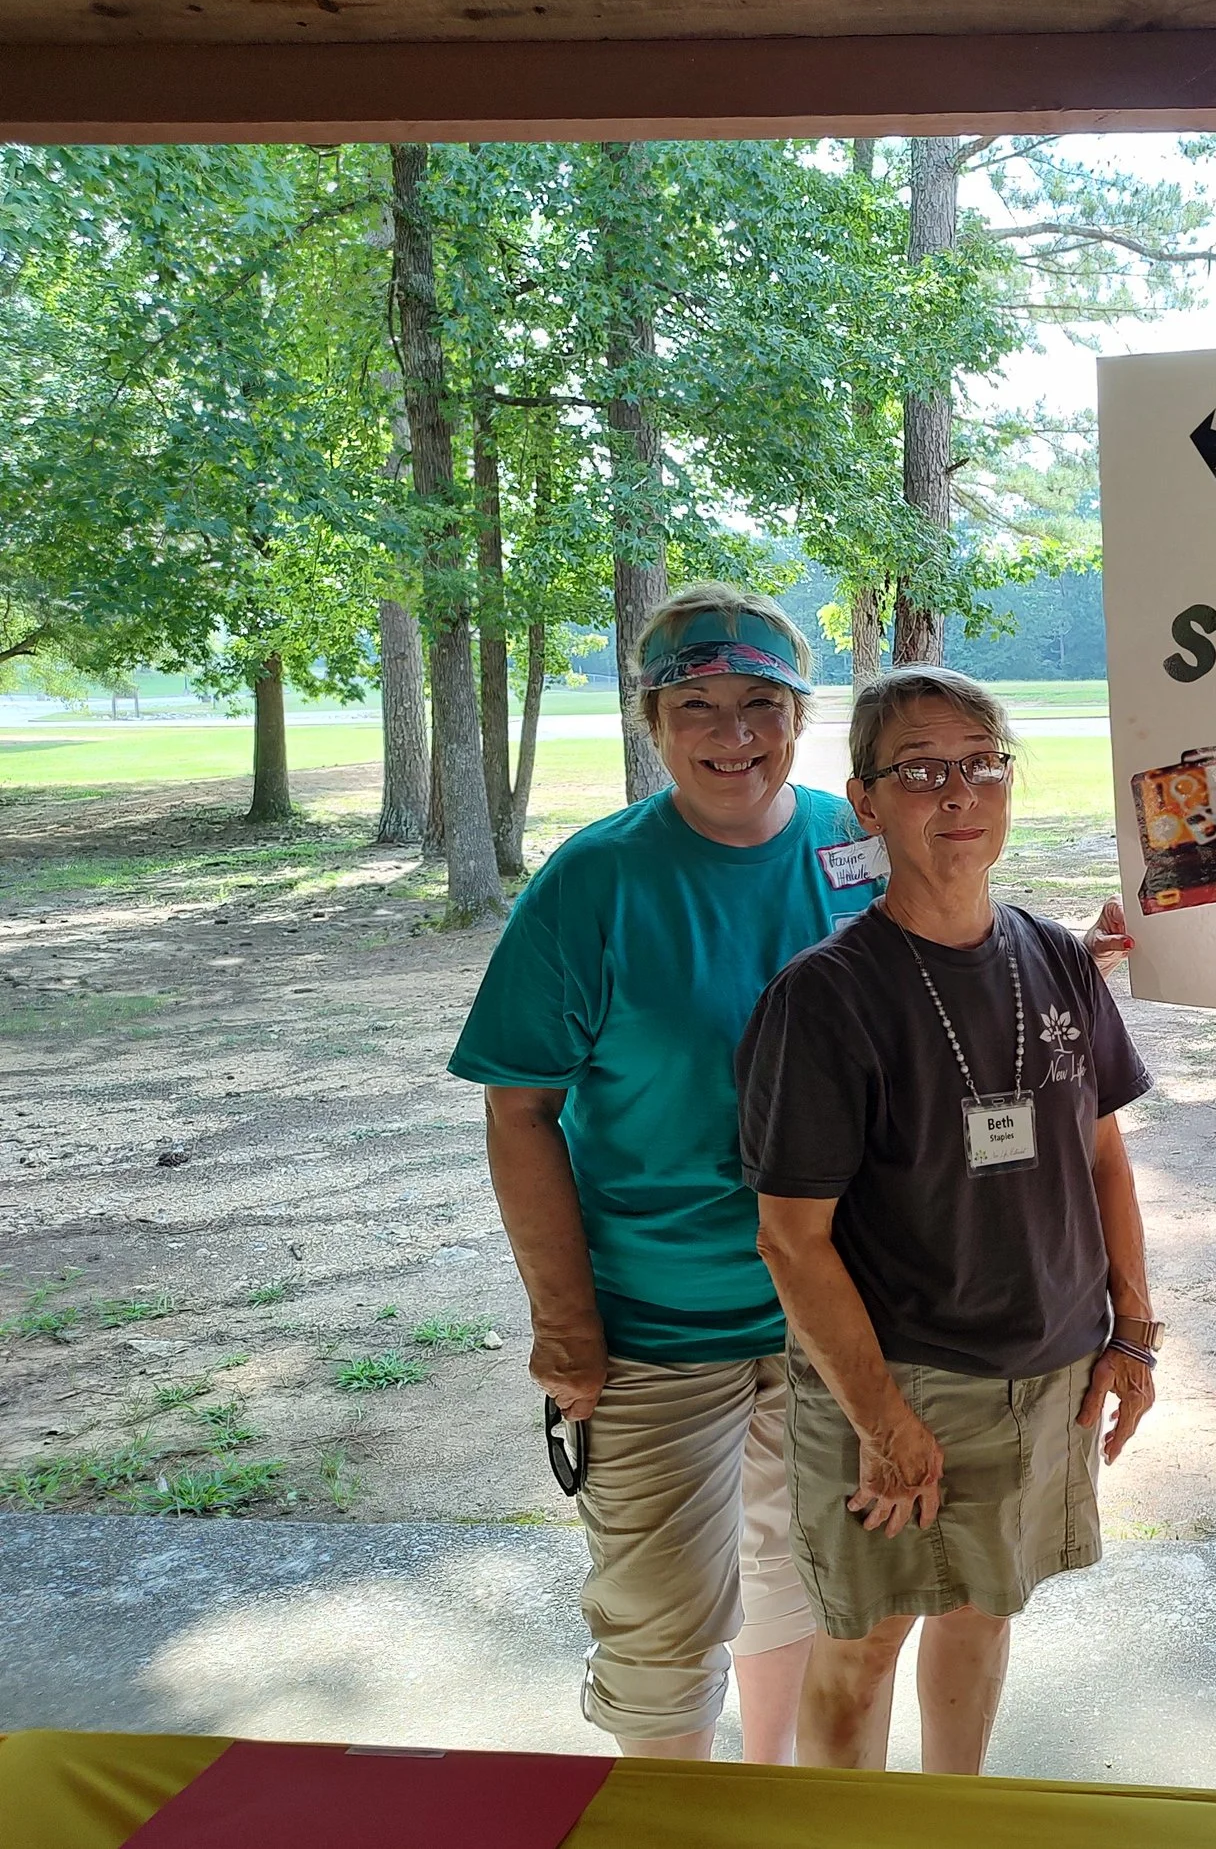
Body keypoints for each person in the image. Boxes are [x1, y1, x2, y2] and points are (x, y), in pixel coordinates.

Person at [449, 584, 875, 1762]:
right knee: (660, 1621)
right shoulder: (595, 883)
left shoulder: (855, 847)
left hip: (830, 1317)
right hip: (652, 1325)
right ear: (652, 719)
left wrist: (1064, 963)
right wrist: (565, 1321)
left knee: (797, 1577)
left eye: (760, 703)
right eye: (698, 703)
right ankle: (667, 1816)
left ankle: (768, 1788)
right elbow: (520, 1112)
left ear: (800, 715)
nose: (732, 732)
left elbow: (944, 993)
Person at [738, 665, 1159, 1777]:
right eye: (921, 770)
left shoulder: (1055, 956)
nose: (958, 793)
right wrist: (882, 1422)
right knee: (863, 1646)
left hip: (1051, 1368)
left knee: (985, 1613)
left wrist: (1133, 1330)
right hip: (904, 1382)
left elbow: (1103, 1153)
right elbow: (792, 1239)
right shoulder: (826, 996)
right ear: (866, 803)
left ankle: (949, 1822)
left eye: (981, 764)